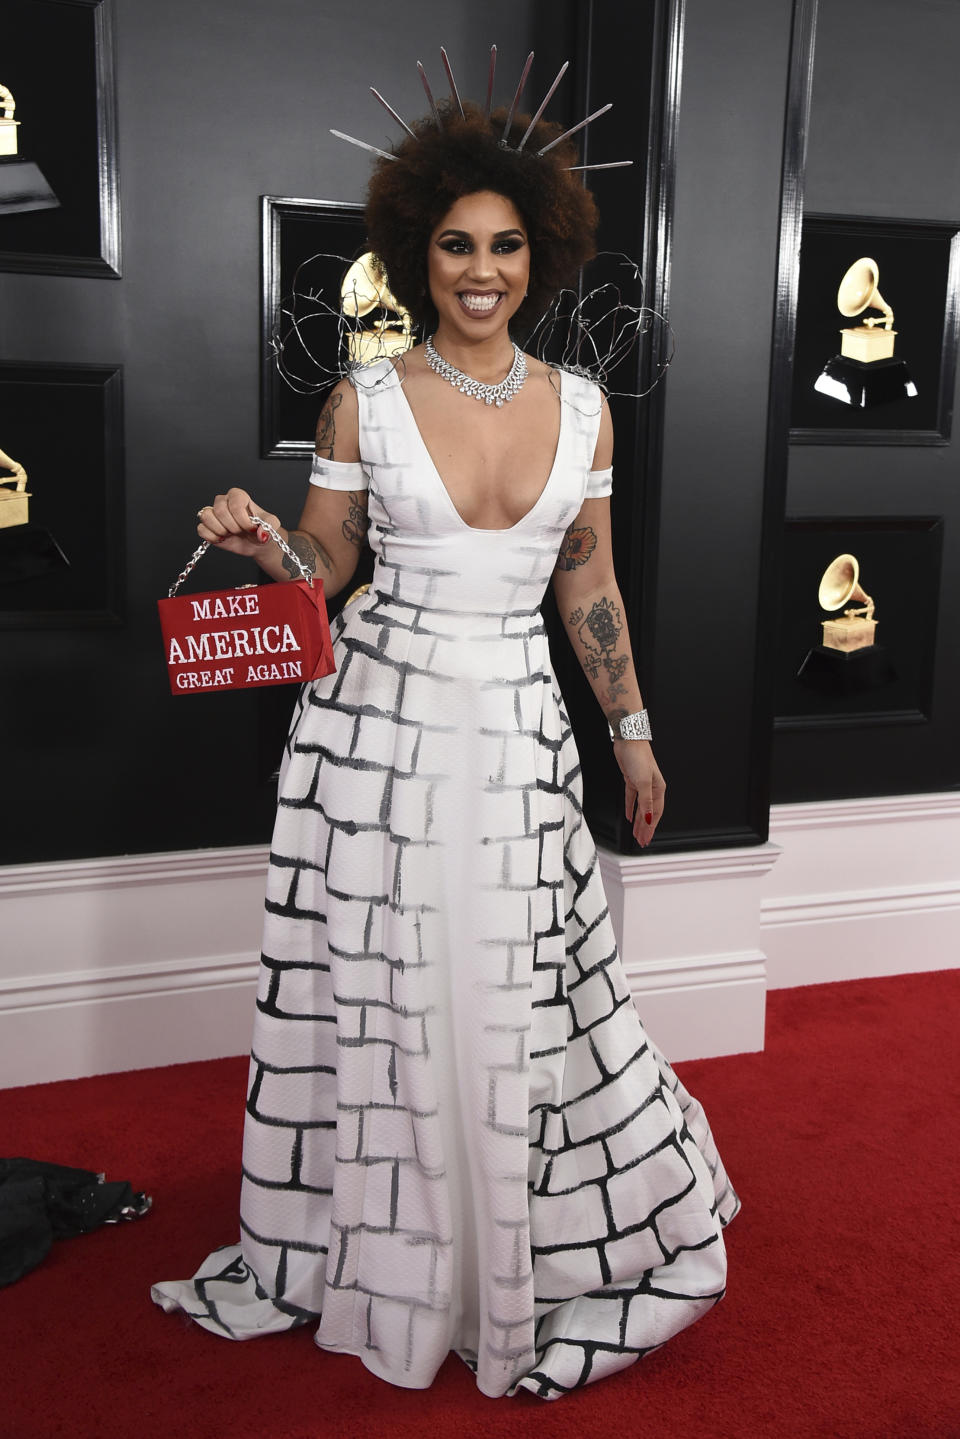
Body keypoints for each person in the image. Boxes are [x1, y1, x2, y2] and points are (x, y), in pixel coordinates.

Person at [152, 84, 739, 1401]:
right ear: (420, 252)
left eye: (507, 245)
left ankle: (508, 1247)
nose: (482, 271)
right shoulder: (365, 398)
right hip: (379, 733)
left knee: (523, 993)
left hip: (523, 727)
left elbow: (589, 584)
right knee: (389, 996)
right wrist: (265, 552)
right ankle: (396, 1247)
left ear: (543, 254)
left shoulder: (586, 407)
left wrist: (632, 736)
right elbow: (330, 562)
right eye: (457, 244)